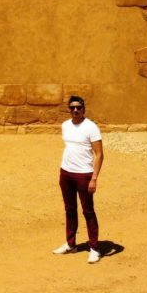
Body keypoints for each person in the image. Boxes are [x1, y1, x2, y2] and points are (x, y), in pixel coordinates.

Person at [53, 95, 104, 263]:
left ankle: (95, 248)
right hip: (66, 172)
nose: (75, 110)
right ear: (69, 109)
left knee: (88, 211)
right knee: (70, 209)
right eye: (72, 108)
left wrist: (94, 178)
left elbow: (99, 154)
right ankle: (71, 244)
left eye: (78, 108)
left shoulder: (91, 127)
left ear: (83, 109)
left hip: (84, 174)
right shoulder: (65, 125)